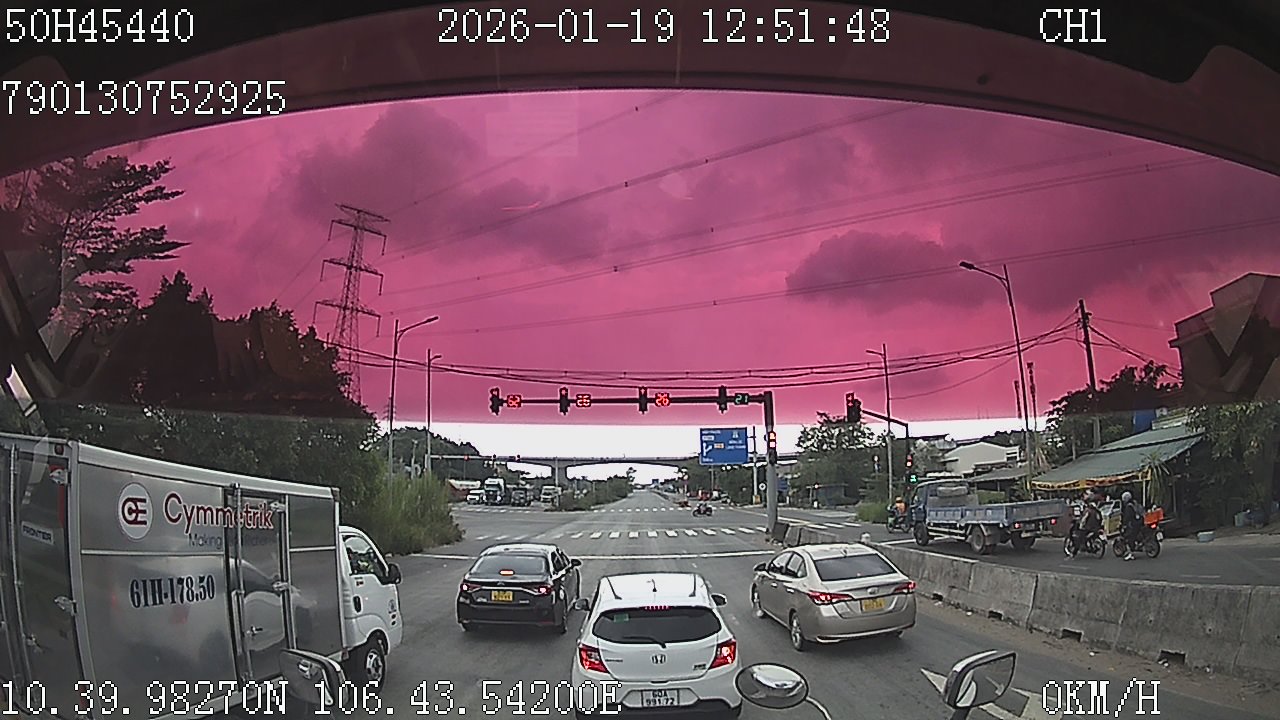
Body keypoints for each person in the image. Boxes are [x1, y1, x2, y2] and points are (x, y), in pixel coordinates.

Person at [1119, 490, 1141, 561]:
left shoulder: (1128, 507)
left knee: (1128, 538)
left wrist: (1124, 524)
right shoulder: (1134, 503)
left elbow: (1127, 517)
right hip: (1139, 522)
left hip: (1132, 524)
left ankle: (1130, 554)